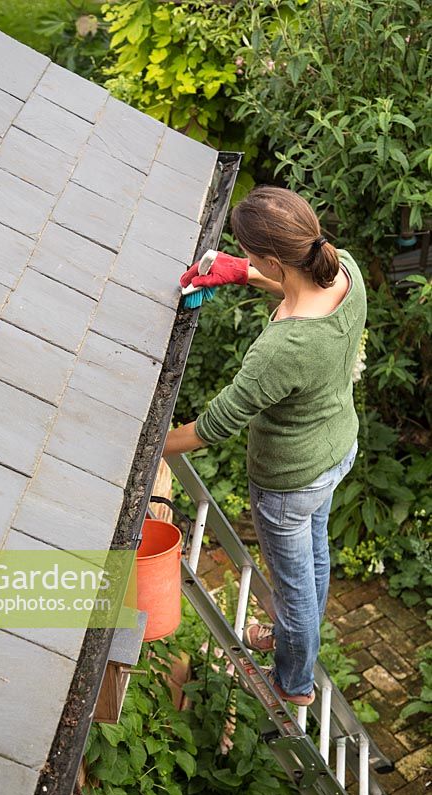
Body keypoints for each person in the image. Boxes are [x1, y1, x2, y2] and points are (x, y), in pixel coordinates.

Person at [163, 185, 367, 706]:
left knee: (293, 593)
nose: (247, 260)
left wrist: (149, 446)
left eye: (252, 255)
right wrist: (241, 271)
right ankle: (298, 639)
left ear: (276, 259)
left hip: (289, 481)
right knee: (314, 556)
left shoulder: (284, 348)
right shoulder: (345, 270)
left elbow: (216, 424)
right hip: (336, 450)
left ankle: (293, 685)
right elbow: (297, 288)